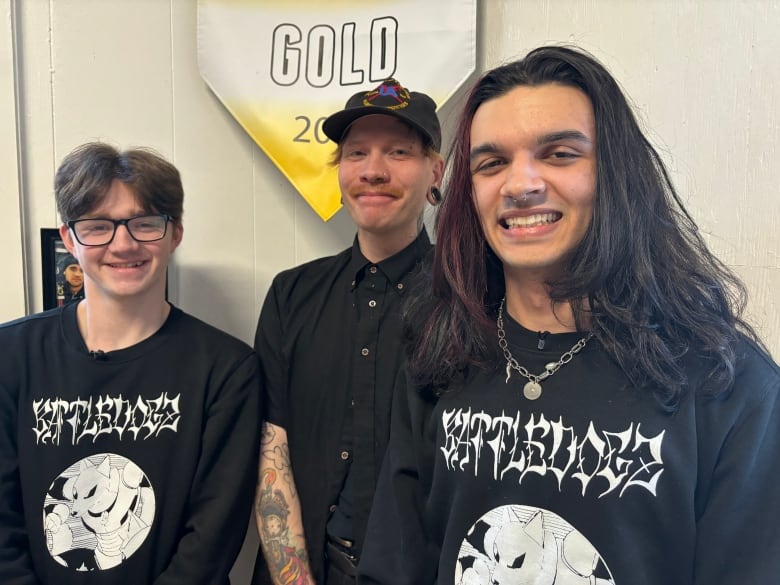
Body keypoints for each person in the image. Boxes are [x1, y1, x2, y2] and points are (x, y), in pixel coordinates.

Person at [357, 46, 780, 585]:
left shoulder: (728, 383)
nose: (520, 184)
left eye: (559, 154)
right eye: (491, 163)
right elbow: (396, 564)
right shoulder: (440, 353)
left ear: (616, 175)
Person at [0, 142, 262, 584]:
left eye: (145, 224)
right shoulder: (11, 354)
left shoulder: (227, 370)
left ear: (175, 232)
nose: (123, 244)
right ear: (69, 239)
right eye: (98, 226)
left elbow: (211, 538)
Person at [251, 78, 444, 585]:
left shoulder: (473, 301)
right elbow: (274, 454)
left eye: (399, 152)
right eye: (356, 153)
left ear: (435, 173)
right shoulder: (291, 296)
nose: (373, 170)